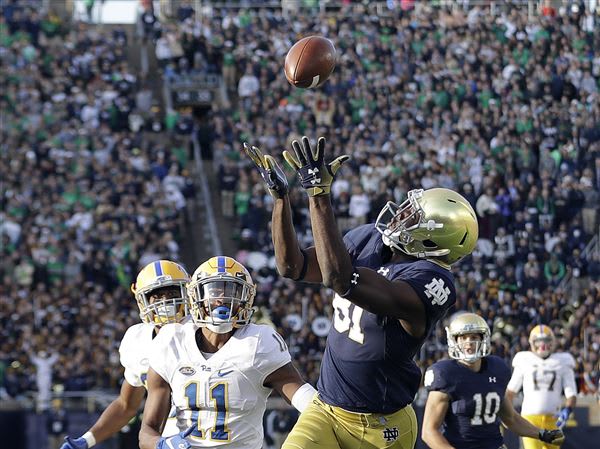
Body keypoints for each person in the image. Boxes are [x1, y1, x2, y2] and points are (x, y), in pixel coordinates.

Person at [244, 136, 478, 449]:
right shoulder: (371, 238)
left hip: (384, 426)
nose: (401, 215)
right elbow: (292, 266)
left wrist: (319, 196)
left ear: (433, 241)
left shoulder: (433, 282)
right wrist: (280, 200)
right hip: (326, 409)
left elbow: (341, 279)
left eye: (414, 216)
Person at [139, 256, 316, 449]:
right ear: (196, 296)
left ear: (246, 298)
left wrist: (337, 416)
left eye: (232, 290)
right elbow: (147, 431)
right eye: (214, 290)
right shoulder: (171, 341)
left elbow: (308, 402)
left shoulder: (257, 343)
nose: (222, 298)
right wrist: (162, 444)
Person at [60, 260, 191, 449]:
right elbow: (126, 405)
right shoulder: (137, 339)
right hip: (165, 440)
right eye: (158, 296)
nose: (166, 302)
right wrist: (87, 440)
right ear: (142, 301)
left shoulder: (203, 332)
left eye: (172, 293)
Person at [421, 313, 565, 449]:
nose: (469, 342)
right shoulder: (446, 374)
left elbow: (511, 418)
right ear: (454, 340)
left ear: (483, 339)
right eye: (463, 337)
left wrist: (542, 434)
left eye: (473, 337)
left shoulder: (496, 369)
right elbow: (428, 431)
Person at [506, 325, 577, 449]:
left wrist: (568, 409)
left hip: (554, 420)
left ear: (552, 342)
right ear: (531, 342)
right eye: (538, 341)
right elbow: (510, 392)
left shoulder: (563, 361)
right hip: (529, 420)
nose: (542, 345)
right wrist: (508, 413)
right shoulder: (524, 359)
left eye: (546, 340)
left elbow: (571, 394)